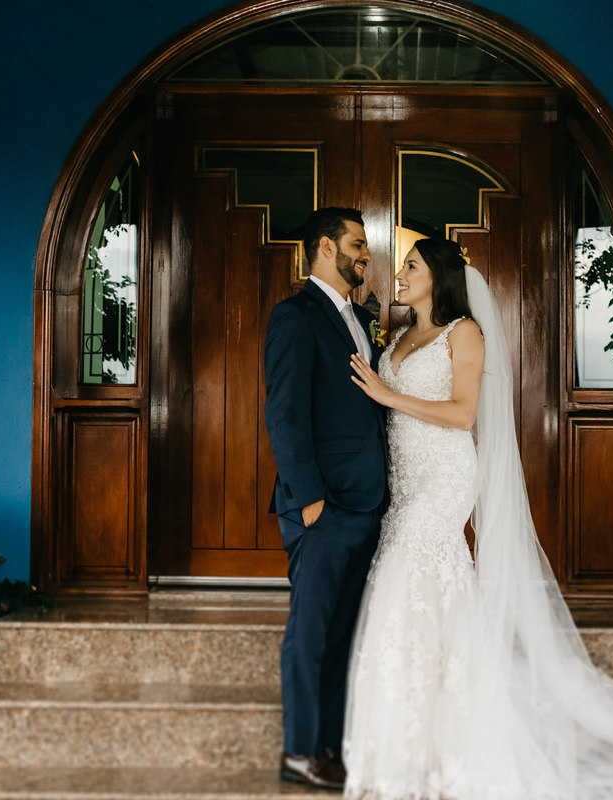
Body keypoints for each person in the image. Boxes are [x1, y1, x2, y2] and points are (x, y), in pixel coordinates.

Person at [344, 237, 613, 800]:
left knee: (408, 575)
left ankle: (443, 745)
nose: (399, 274)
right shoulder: (401, 335)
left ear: (439, 276)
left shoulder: (466, 333)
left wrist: (387, 395)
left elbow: (461, 414)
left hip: (445, 478)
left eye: (410, 265)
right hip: (404, 482)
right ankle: (415, 739)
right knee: (413, 592)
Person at [263, 207, 388, 791]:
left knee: (341, 632)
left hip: (365, 504)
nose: (366, 254)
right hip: (323, 507)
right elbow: (285, 413)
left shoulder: (361, 317)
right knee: (310, 631)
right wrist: (310, 501)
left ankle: (329, 747)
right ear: (323, 248)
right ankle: (298, 752)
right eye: (357, 244)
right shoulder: (295, 316)